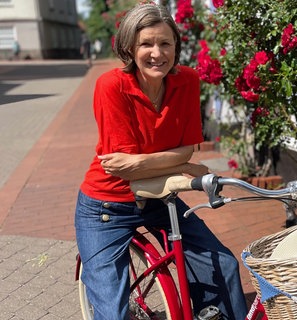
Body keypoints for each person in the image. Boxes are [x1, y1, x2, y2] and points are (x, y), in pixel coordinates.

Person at [74, 3, 248, 319]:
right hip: (106, 206)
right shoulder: (111, 85)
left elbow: (178, 152)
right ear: (129, 48)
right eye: (146, 44)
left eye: (165, 43)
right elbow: (123, 167)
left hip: (158, 195)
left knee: (222, 264)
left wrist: (176, 161)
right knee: (112, 311)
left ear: (176, 46)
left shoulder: (187, 81)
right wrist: (182, 166)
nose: (158, 53)